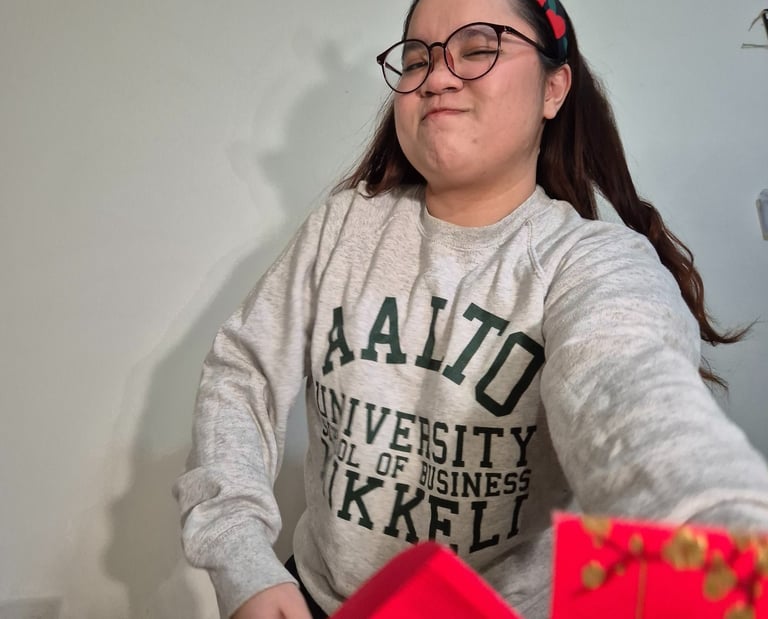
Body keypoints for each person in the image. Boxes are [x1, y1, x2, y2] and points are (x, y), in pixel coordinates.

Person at [173, 0, 768, 617]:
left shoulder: (591, 265)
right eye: (415, 57)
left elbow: (634, 408)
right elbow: (241, 373)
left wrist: (722, 546)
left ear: (553, 88)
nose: (436, 75)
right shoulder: (342, 225)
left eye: (478, 48)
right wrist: (241, 558)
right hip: (317, 602)